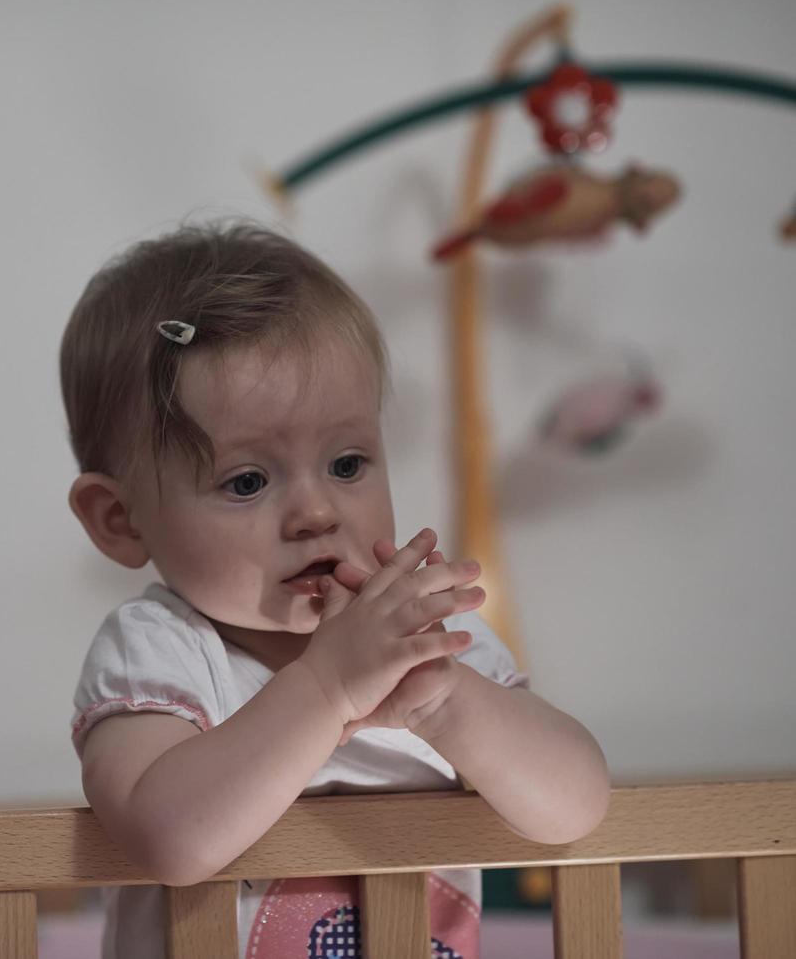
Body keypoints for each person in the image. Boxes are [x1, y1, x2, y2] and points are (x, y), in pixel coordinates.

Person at [60, 221, 609, 958]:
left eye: (347, 464)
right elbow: (168, 838)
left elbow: (574, 806)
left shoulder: (426, 641)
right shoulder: (161, 652)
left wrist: (447, 700)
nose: (316, 512)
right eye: (246, 481)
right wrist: (326, 690)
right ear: (121, 520)